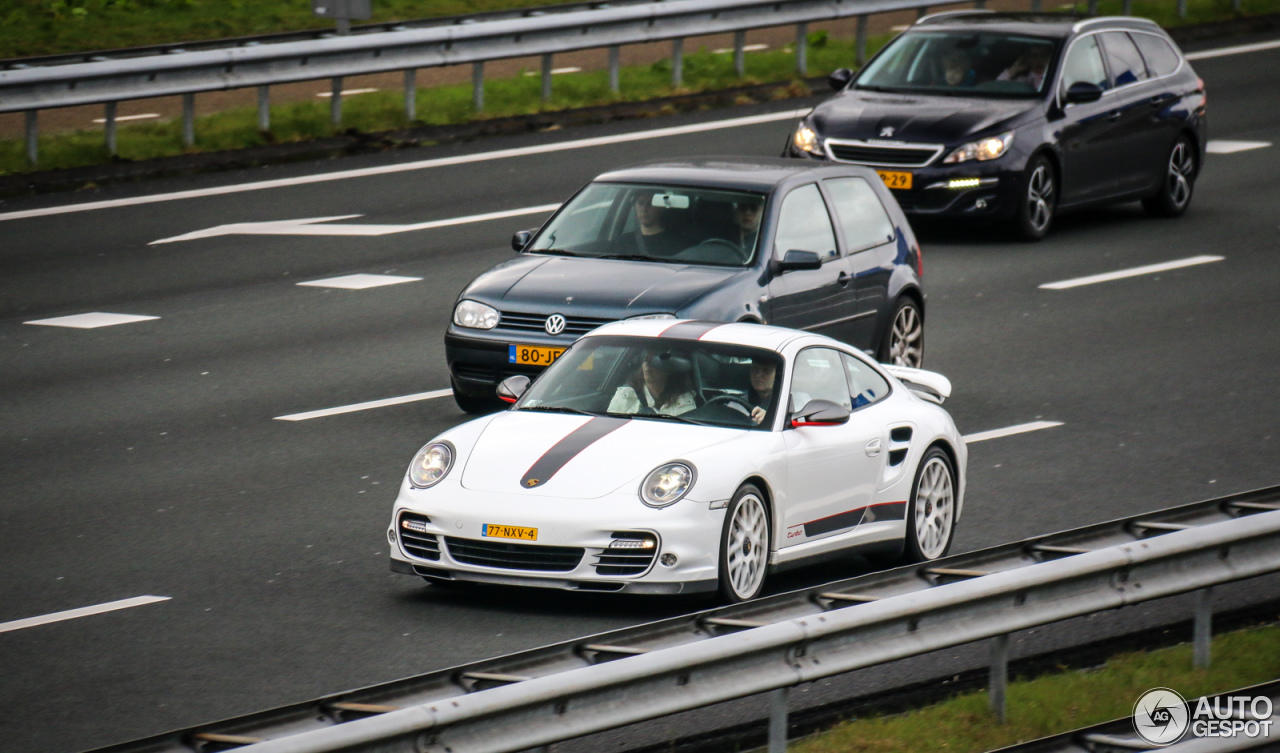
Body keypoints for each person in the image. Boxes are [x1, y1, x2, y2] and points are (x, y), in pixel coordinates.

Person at [608, 351, 697, 416]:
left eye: (654, 361)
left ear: (668, 369)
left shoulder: (684, 399)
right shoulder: (625, 394)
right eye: (645, 359)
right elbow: (609, 426)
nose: (647, 365)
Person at [630, 191, 687, 258]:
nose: (644, 209)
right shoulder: (623, 242)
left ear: (661, 208)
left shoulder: (677, 243)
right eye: (640, 203)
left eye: (650, 204)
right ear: (634, 206)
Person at [745, 358, 777, 425]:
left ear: (778, 375)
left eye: (766, 371)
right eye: (755, 369)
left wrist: (771, 419)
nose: (758, 375)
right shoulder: (735, 405)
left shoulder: (790, 403)